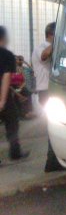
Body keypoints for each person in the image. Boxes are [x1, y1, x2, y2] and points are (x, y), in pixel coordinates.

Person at [0, 26, 29, 162]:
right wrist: (3, 100)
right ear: (4, 38)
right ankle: (15, 152)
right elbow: (6, 77)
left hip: (4, 93)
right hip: (3, 95)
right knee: (12, 123)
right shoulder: (7, 55)